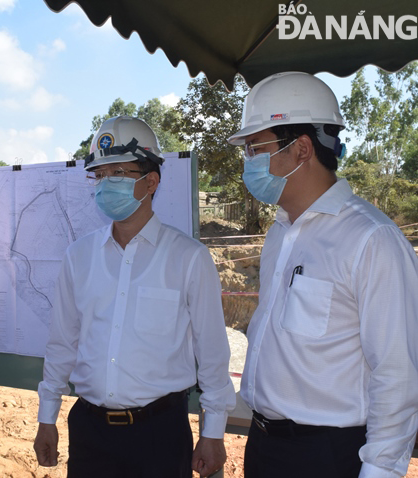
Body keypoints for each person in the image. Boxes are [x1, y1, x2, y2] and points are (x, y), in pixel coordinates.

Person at [227, 71, 418, 477]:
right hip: (264, 446)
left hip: (327, 456)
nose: (248, 163)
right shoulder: (280, 232)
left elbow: (397, 374)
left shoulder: (371, 239)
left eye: (255, 148)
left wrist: (381, 471)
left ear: (300, 149)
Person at [34, 116, 236, 478]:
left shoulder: (188, 257)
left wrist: (213, 432)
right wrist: (47, 417)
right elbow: (62, 343)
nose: (104, 183)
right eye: (99, 175)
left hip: (159, 434)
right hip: (89, 432)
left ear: (151, 181)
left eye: (117, 173)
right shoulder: (79, 256)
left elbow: (212, 354)